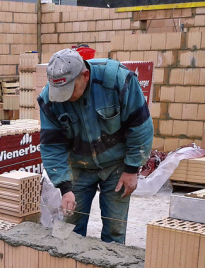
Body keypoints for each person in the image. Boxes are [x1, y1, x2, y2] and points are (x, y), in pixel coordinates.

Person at [37, 48, 154, 244]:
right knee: (67, 229)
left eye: (69, 90)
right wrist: (65, 187)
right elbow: (52, 145)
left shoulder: (117, 80)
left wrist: (132, 168)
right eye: (60, 92)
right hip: (78, 166)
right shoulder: (49, 99)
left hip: (117, 166)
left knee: (115, 227)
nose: (64, 98)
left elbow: (140, 126)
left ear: (85, 75)